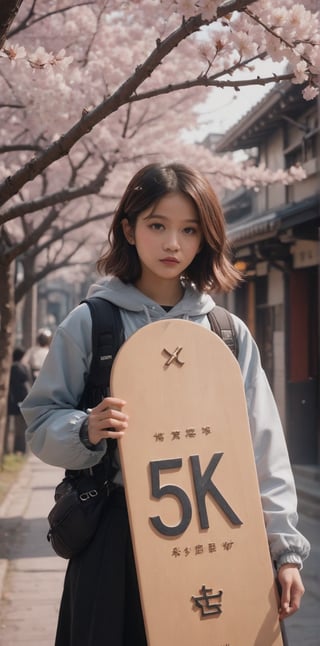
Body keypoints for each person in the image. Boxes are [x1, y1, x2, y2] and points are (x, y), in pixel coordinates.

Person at [21, 162, 310, 646]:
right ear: (129, 229)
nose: (173, 243)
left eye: (189, 230)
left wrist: (285, 552)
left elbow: (262, 446)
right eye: (157, 225)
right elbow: (39, 424)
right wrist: (86, 428)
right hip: (116, 544)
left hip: (217, 538)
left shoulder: (226, 333)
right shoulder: (91, 324)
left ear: (205, 239)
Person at [6, 347, 31, 454]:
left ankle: (17, 450)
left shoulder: (14, 367)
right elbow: (24, 386)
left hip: (15, 402)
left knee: (17, 427)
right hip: (20, 401)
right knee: (20, 428)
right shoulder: (20, 367)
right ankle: (19, 450)